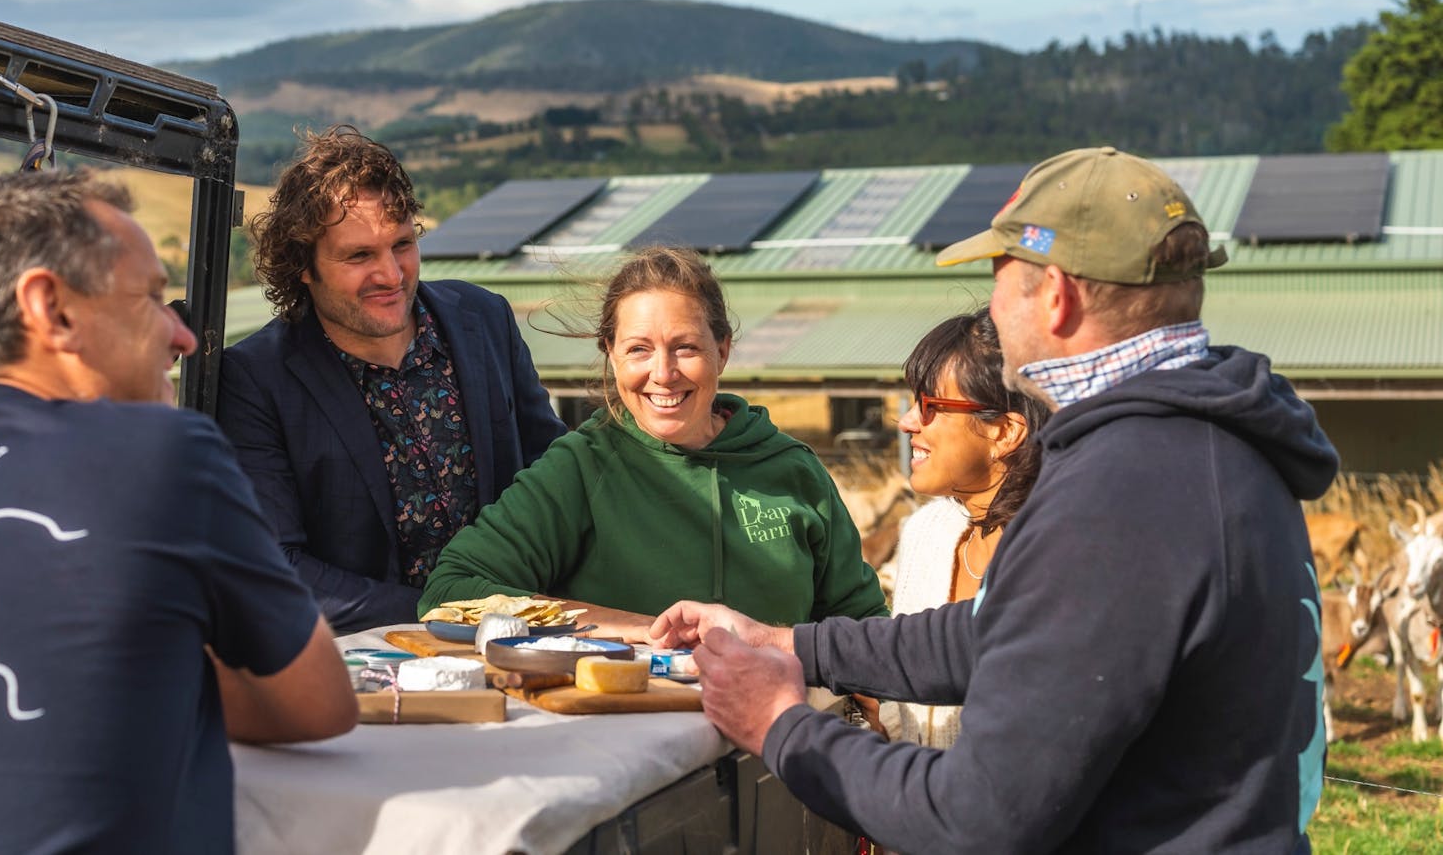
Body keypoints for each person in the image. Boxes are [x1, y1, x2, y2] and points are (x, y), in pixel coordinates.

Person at [651, 147, 1337, 853]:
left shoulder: (1126, 493)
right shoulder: (1203, 438)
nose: (992, 309)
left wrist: (779, 724)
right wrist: (786, 642)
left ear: (1058, 297)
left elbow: (976, 817)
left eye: (998, 280)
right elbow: (1001, 631)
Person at [0, 172, 355, 851]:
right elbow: (320, 705)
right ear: (50, 310)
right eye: (150, 297)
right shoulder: (166, 450)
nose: (185, 337)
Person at [419, 246, 887, 639]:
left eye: (685, 347)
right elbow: (451, 590)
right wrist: (647, 631)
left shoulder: (793, 471)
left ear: (722, 350)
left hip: (782, 739)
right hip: (628, 740)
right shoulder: (580, 468)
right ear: (610, 352)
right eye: (639, 349)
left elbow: (862, 622)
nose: (663, 375)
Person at [217, 126, 567, 633]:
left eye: (402, 245)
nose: (392, 274)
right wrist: (444, 615)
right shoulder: (254, 379)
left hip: (523, 637)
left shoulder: (484, 318)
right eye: (359, 256)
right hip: (369, 664)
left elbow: (553, 483)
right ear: (303, 269)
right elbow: (276, 569)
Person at [874, 307, 1049, 746]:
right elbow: (904, 698)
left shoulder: (1056, 552)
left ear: (1005, 432)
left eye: (931, 405)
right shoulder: (925, 533)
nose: (907, 421)